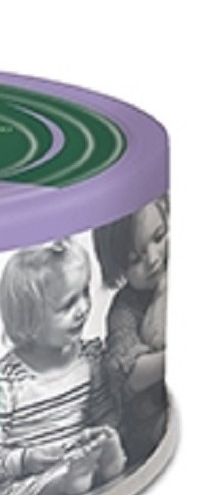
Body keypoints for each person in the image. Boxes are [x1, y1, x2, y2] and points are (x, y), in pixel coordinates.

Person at [0, 239, 126, 495]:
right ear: (30, 321)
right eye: (67, 305)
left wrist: (104, 434)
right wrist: (28, 459)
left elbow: (104, 412)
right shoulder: (6, 384)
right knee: (50, 483)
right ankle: (71, 483)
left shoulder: (89, 359)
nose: (83, 308)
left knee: (96, 454)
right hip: (22, 484)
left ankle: (102, 464)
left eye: (84, 292)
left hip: (78, 462)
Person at [93, 197, 169, 466]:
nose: (153, 259)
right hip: (150, 423)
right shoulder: (125, 308)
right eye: (135, 259)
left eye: (159, 237)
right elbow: (128, 374)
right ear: (119, 270)